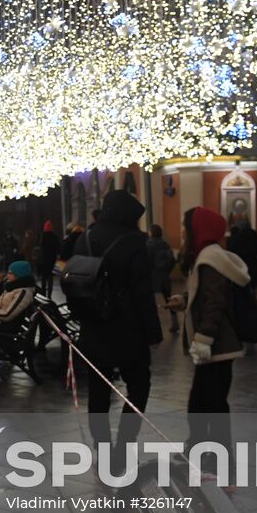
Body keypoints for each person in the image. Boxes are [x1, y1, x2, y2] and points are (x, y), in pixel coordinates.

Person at [69, 190, 162, 453]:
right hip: (127, 328)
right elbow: (142, 294)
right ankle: (124, 442)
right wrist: (153, 333)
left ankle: (102, 446)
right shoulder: (133, 242)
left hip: (92, 325)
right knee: (139, 384)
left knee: (98, 391)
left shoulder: (85, 238)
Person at [167, 207, 249, 461]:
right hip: (215, 344)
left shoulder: (210, 258)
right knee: (204, 402)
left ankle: (217, 454)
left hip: (218, 345)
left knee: (210, 403)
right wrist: (185, 300)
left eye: (185, 224)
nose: (182, 229)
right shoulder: (205, 255)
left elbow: (215, 302)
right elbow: (205, 295)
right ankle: (201, 448)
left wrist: (204, 338)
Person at [146, 223, 178, 332]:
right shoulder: (166, 244)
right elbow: (172, 260)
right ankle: (175, 323)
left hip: (153, 276)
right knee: (168, 298)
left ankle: (153, 327)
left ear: (151, 233)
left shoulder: (149, 244)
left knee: (150, 301)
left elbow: (147, 261)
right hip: (164, 276)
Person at [225, 220, 257, 288]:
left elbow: (232, 250)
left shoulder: (237, 236)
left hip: (241, 263)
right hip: (252, 263)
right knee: (252, 283)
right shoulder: (254, 235)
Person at [36, 219, 59, 297]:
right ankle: (49, 295)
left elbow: (39, 248)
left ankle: (43, 293)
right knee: (50, 278)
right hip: (52, 260)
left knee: (43, 278)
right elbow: (57, 248)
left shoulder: (42, 236)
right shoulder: (55, 237)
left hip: (43, 260)